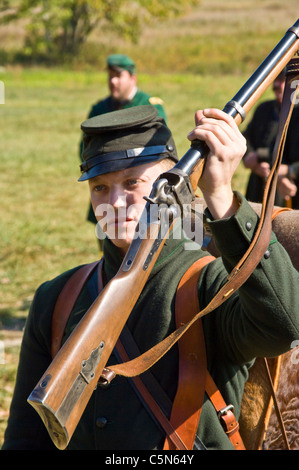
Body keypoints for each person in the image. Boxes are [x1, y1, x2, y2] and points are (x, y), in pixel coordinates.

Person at [3, 106, 299, 450]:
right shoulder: (56, 298)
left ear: (172, 185)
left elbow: (287, 325)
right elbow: (26, 438)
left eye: (132, 182)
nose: (114, 202)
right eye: (100, 187)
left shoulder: (210, 285)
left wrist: (221, 195)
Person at [80, 54, 167, 230]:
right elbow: (85, 147)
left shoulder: (150, 107)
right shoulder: (99, 109)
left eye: (118, 76)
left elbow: (158, 152)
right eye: (110, 76)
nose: (113, 81)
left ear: (132, 78)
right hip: (105, 189)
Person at [243, 71, 299, 207]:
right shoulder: (264, 109)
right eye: (276, 80)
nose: (277, 85)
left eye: (283, 80)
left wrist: (289, 170)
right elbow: (246, 138)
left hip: (291, 189)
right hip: (258, 185)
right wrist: (253, 160)